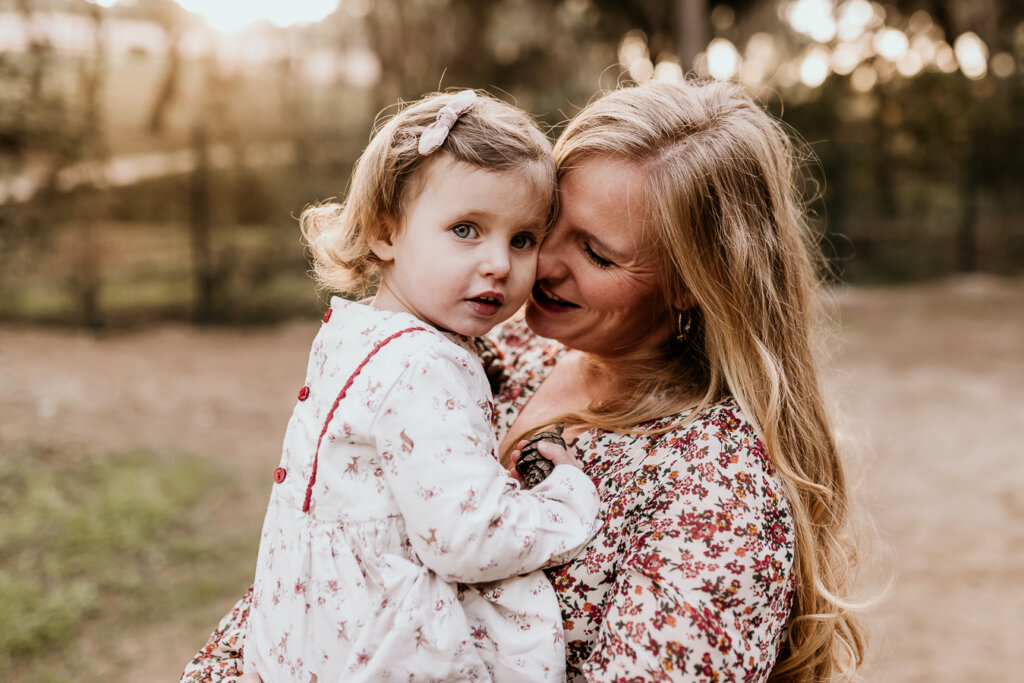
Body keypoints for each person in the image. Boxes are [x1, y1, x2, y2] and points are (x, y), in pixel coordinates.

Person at [182, 78, 866, 682]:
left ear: (692, 286)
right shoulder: (488, 347)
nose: (531, 268)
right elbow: (334, 562)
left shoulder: (717, 492)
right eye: (544, 229)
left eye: (594, 252)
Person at [236, 89, 601, 683]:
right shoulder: (422, 365)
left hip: (302, 637)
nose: (499, 264)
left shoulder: (357, 335)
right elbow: (467, 536)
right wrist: (566, 501)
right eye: (465, 229)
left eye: (523, 239)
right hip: (381, 649)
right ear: (385, 233)